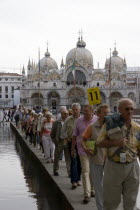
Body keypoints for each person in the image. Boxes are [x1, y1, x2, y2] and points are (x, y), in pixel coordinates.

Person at [97, 98, 140, 210]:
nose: (130, 111)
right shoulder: (110, 124)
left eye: (131, 109)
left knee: (131, 201)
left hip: (132, 166)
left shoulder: (137, 127)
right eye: (126, 109)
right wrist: (114, 142)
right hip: (113, 167)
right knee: (111, 201)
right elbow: (99, 142)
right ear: (120, 110)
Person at [82, 104, 110, 210]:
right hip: (96, 160)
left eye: (108, 112)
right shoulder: (92, 127)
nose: (107, 115)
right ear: (98, 114)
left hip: (110, 162)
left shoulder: (112, 126)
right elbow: (83, 139)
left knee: (110, 187)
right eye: (104, 112)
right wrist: (85, 149)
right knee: (98, 187)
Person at [72, 104, 98, 204]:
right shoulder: (79, 120)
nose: (85, 112)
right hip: (82, 149)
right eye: (84, 111)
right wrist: (72, 148)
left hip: (94, 150)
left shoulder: (97, 119)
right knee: (85, 171)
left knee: (93, 171)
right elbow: (75, 135)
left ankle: (92, 189)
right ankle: (86, 194)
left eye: (87, 110)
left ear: (92, 111)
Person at [61, 103, 81, 189]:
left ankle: (78, 179)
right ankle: (73, 181)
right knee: (73, 161)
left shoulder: (83, 119)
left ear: (80, 110)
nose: (75, 111)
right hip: (71, 143)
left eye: (76, 109)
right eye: (73, 109)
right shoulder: (68, 119)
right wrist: (68, 139)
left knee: (80, 162)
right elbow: (62, 132)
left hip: (81, 144)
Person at [50, 109, 70, 176]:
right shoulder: (56, 122)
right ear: (61, 114)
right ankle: (55, 170)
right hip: (59, 141)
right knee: (57, 157)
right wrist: (54, 140)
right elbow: (52, 132)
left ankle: (69, 172)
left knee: (68, 158)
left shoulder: (70, 121)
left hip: (67, 141)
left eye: (67, 113)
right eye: (64, 113)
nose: (66, 114)